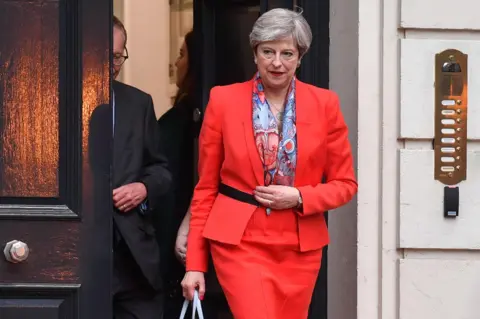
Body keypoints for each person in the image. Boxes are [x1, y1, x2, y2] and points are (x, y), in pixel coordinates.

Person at [181, 8, 358, 319]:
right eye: (268, 52)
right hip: (240, 244)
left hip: (300, 247)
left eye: (287, 53)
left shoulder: (325, 104)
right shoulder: (223, 101)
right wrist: (195, 264)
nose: (277, 62)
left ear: (300, 57)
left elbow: (345, 185)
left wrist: (301, 196)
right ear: (255, 54)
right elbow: (206, 187)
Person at [156, 31, 231, 318]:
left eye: (182, 54)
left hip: (189, 234)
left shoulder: (187, 119)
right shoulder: (182, 115)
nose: (176, 62)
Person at [111, 16, 171, 319]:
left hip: (133, 260)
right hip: (76, 254)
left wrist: (144, 188)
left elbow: (161, 170)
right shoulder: (51, 101)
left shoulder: (138, 104)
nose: (112, 64)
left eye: (118, 57)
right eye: (105, 55)